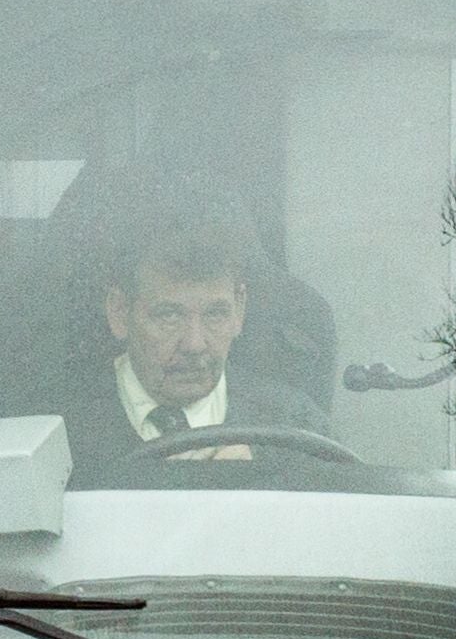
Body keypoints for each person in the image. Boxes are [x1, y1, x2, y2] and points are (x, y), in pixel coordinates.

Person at [68, 206, 292, 484]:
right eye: (169, 315)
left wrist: (264, 489)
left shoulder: (296, 431)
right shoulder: (57, 438)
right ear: (119, 311)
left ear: (239, 310)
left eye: (215, 314)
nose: (195, 344)